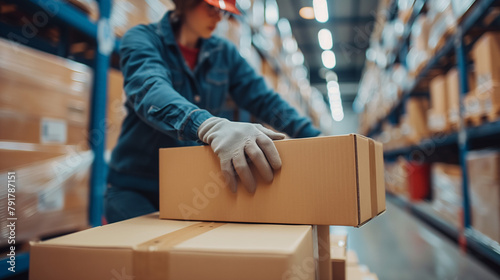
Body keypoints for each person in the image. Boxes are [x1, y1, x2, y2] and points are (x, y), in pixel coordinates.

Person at [104, 0, 321, 223]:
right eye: (211, 7)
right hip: (135, 188)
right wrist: (209, 126)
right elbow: (149, 90)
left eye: (223, 11)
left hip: (189, 188)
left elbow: (265, 100)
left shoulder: (223, 53)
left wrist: (317, 138)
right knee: (155, 255)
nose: (219, 17)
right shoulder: (142, 39)